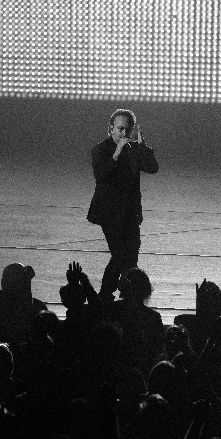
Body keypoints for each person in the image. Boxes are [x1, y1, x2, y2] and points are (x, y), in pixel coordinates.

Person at [87, 108, 159, 299]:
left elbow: (152, 168)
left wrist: (143, 148)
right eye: (120, 129)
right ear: (111, 128)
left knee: (131, 256)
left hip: (130, 211)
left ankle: (128, 295)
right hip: (109, 213)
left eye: (128, 129)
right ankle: (106, 294)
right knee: (120, 255)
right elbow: (101, 175)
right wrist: (116, 153)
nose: (124, 133)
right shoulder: (100, 149)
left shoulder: (134, 149)